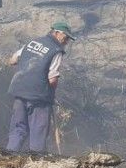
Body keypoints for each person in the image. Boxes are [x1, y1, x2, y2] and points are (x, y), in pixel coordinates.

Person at [6, 21, 75, 152]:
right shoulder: (56, 50)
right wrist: (50, 93)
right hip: (39, 96)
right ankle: (36, 161)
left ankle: (9, 155)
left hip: (19, 90)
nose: (66, 42)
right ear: (56, 33)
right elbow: (52, 78)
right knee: (38, 129)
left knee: (18, 127)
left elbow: (13, 60)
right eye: (65, 38)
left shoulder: (33, 42)